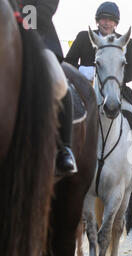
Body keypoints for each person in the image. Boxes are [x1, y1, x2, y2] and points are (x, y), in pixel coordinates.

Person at [65, 1, 132, 184]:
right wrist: (83, 70)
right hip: (84, 91)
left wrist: (114, 77)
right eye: (103, 19)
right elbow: (68, 61)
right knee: (66, 114)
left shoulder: (127, 42)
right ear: (97, 21)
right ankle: (65, 153)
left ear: (116, 23)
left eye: (111, 20)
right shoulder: (83, 37)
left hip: (116, 93)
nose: (106, 23)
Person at [18, 0, 77, 175]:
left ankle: (64, 148)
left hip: (39, 39)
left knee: (59, 81)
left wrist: (17, 18)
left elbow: (47, 7)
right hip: (4, 33)